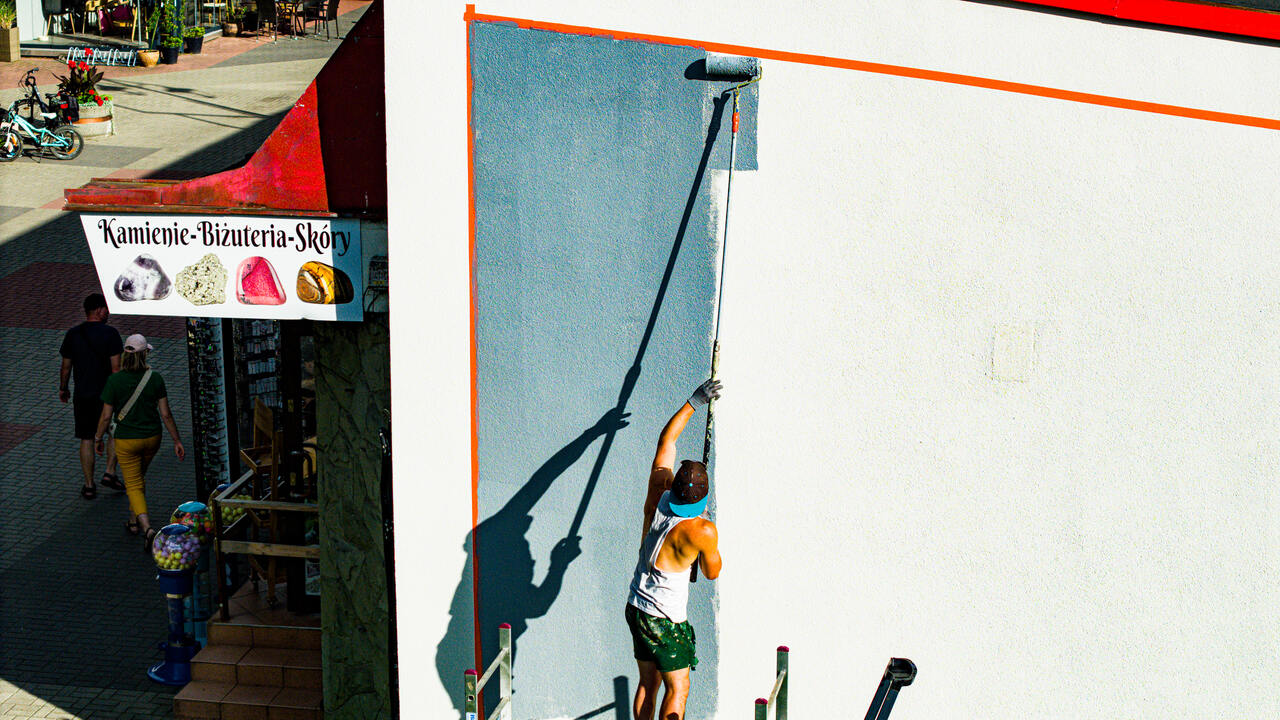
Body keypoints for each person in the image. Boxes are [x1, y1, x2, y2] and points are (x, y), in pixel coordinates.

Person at [626, 378, 724, 720]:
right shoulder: (702, 531)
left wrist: (694, 401)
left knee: (648, 684)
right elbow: (712, 571)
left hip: (637, 606)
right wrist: (706, 537)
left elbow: (667, 440)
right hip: (665, 618)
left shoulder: (659, 487)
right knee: (678, 688)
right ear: (702, 501)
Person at [93, 334, 185, 549]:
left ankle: (147, 529)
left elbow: (106, 417)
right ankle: (133, 521)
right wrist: (177, 440)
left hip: (126, 441)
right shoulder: (155, 378)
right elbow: (166, 414)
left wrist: (98, 438)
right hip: (152, 438)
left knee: (133, 484)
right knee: (138, 478)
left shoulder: (114, 381)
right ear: (145, 355)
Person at [59, 293, 122, 500]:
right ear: (99, 310)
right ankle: (110, 472)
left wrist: (63, 388)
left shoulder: (73, 334)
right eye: (106, 309)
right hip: (107, 395)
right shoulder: (111, 334)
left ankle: (88, 485)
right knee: (114, 432)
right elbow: (116, 369)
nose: (108, 313)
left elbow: (66, 366)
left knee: (86, 438)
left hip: (83, 395)